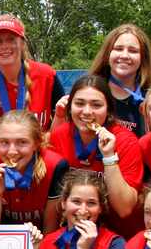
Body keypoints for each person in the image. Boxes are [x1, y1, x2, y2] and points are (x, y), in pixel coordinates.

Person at [48, 75, 143, 238]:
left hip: (119, 236)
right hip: (71, 232)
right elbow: (52, 198)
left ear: (109, 110)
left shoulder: (124, 141)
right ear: (70, 107)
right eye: (79, 103)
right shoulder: (59, 136)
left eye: (96, 105)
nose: (86, 111)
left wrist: (109, 157)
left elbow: (124, 208)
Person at [0, 14, 65, 153]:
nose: (5, 46)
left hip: (40, 158)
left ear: (22, 43)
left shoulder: (46, 75)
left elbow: (62, 129)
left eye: (11, 39)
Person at [52, 24, 151, 137]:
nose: (125, 55)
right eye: (118, 49)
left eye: (133, 51)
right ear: (107, 54)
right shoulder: (86, 92)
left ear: (143, 58)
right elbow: (56, 141)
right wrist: (60, 116)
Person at [0, 110, 68, 231]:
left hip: (39, 242)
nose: (12, 151)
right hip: (1, 242)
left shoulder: (55, 166)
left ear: (36, 143)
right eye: (4, 142)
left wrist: (35, 248)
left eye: (22, 142)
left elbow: (50, 229)